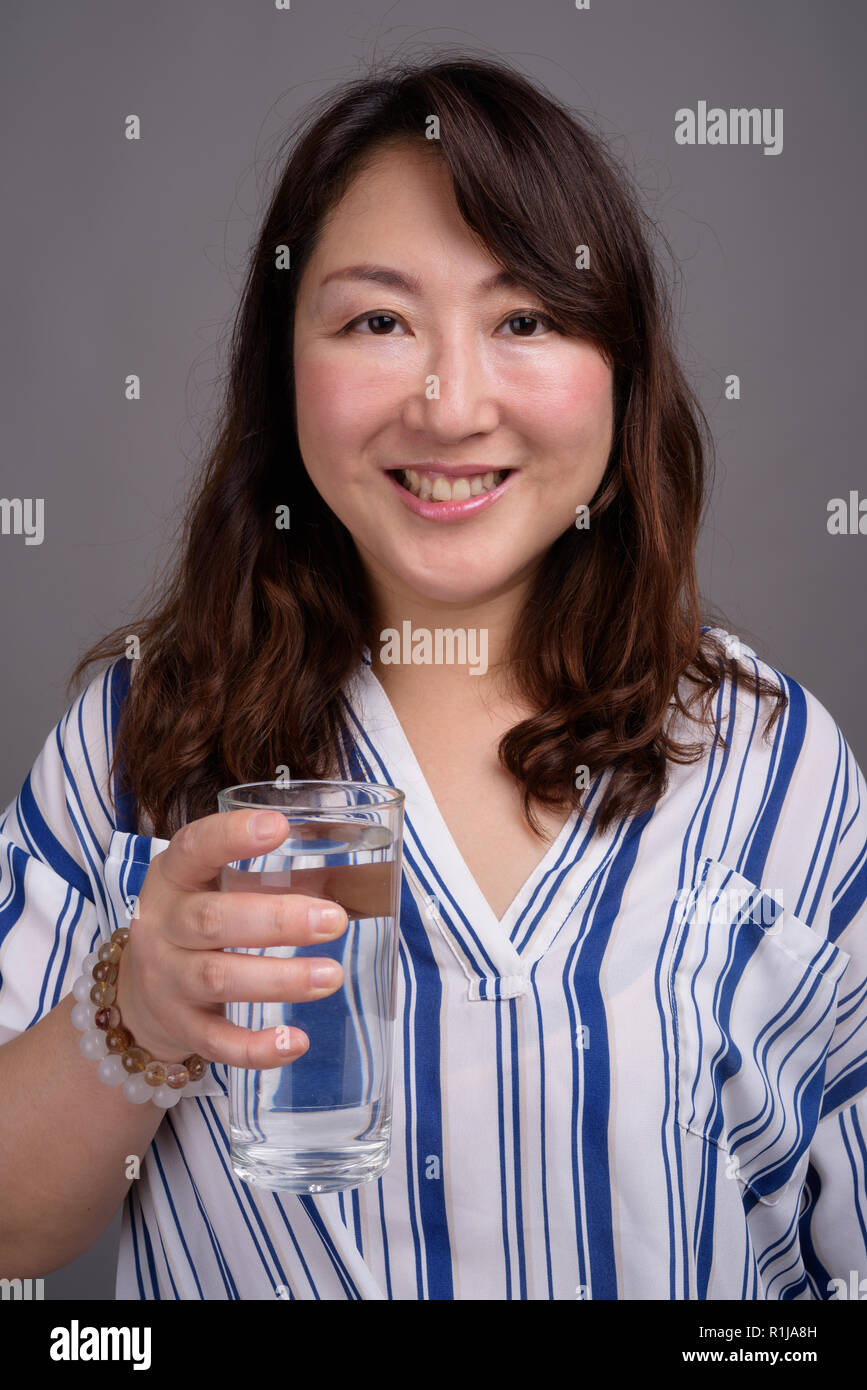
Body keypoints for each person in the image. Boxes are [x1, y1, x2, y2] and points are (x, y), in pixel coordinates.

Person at [1, 53, 864, 1301]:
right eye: (377, 321)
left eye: (526, 320)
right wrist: (132, 1013)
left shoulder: (771, 764)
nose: (452, 406)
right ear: (280, 375)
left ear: (621, 379)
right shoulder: (146, 733)